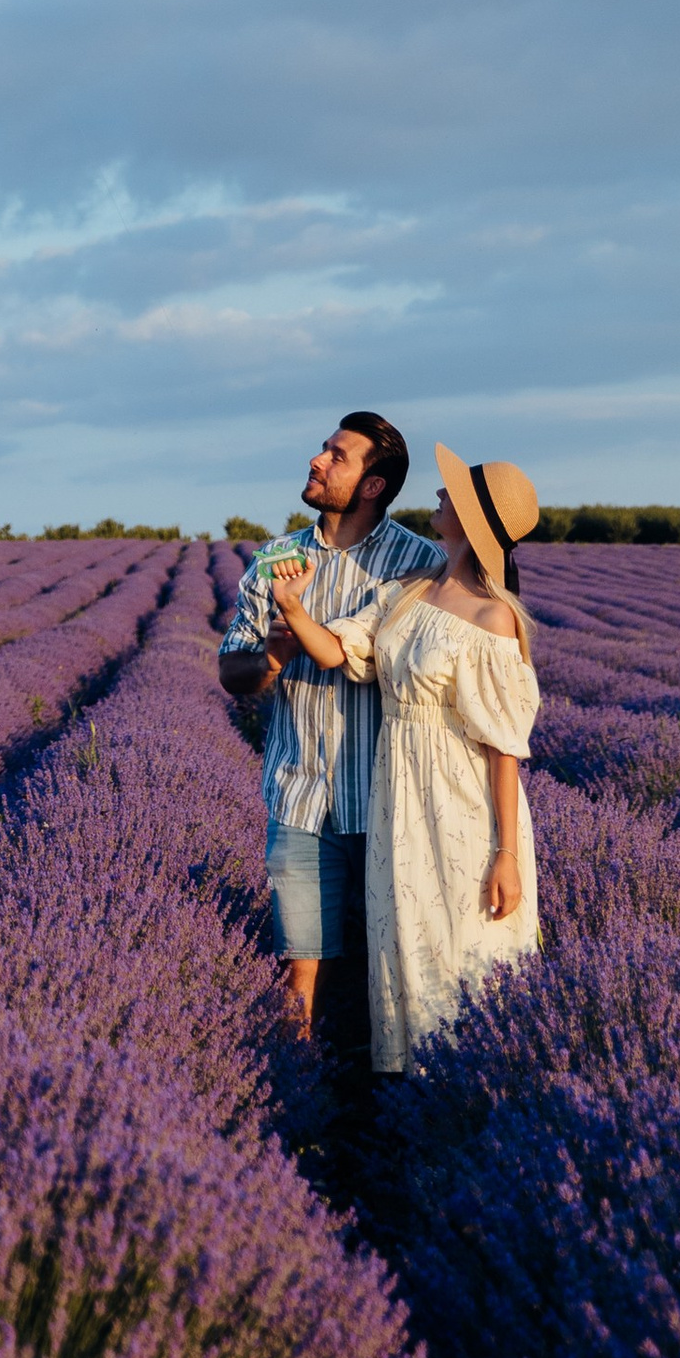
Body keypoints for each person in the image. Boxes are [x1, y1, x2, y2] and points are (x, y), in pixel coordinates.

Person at [267, 444, 542, 1074]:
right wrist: (291, 609)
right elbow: (340, 652)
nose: (439, 498)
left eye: (453, 496)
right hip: (400, 794)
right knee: (405, 938)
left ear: (473, 520)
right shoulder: (411, 590)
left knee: (460, 943)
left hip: (460, 802)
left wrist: (505, 853)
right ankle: (407, 1093)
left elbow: (504, 746)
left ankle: (468, 1086)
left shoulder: (494, 617)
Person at [217, 413, 445, 1035]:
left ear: (372, 485)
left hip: (390, 801)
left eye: (337, 456)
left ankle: (392, 1103)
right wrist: (275, 651)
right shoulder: (274, 559)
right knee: (299, 976)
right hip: (300, 795)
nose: (317, 461)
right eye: (322, 449)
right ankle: (295, 1089)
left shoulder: (420, 564)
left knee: (399, 973)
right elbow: (233, 673)